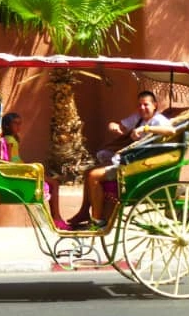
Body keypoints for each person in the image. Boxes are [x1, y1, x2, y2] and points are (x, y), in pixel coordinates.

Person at [68, 90, 176, 229]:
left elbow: (171, 131)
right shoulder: (139, 117)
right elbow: (122, 125)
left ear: (155, 105)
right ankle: (84, 212)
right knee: (88, 172)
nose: (142, 108)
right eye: (139, 105)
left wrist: (146, 128)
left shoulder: (158, 120)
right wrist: (114, 126)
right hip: (130, 159)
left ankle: (98, 220)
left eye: (146, 104)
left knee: (94, 176)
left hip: (139, 164)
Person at [1, 112, 70, 231]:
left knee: (53, 182)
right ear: (7, 125)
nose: (18, 126)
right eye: (15, 123)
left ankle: (56, 218)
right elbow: (9, 159)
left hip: (21, 168)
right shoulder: (9, 140)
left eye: (20, 123)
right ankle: (57, 218)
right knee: (54, 183)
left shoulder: (12, 138)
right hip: (19, 170)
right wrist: (26, 168)